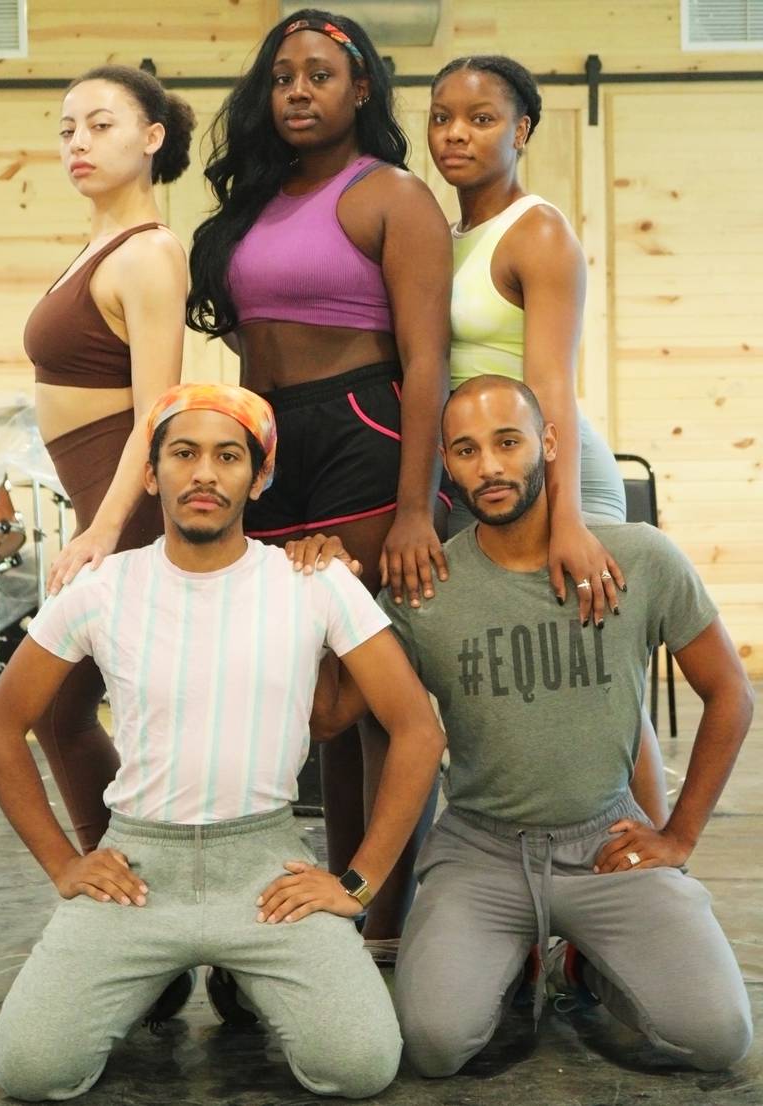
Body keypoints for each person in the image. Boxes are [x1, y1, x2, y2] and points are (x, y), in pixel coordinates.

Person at [0, 383, 446, 1102]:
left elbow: (418, 729)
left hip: (261, 868)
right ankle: (161, 969)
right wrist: (66, 866)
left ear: (257, 478)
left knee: (359, 1066)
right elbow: (2, 728)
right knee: (30, 1070)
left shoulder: (311, 582)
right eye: (184, 453)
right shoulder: (104, 587)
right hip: (139, 868)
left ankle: (243, 974)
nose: (204, 473)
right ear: (151, 472)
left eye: (228, 456)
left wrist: (357, 882)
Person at [312, 375, 754, 1076]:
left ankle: (579, 966)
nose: (488, 466)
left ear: (548, 445)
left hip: (605, 842)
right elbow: (332, 714)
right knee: (432, 1043)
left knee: (719, 1036)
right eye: (464, 450)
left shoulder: (637, 557)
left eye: (507, 442)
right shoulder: (423, 590)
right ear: (446, 468)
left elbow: (730, 691)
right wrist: (325, 592)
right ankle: (511, 956)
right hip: (480, 851)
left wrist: (680, 834)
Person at [187, 8, 453, 943]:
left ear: (362, 89)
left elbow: (428, 362)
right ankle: (344, 900)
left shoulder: (393, 196)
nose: (298, 91)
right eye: (282, 77)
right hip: (273, 444)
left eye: (320, 76)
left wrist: (417, 508)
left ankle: (385, 919)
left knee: (372, 683)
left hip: (363, 428)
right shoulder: (254, 202)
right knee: (316, 692)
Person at [427, 53, 667, 825]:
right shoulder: (448, 234)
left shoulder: (538, 232)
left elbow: (551, 386)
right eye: (441, 117)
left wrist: (566, 518)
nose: (456, 133)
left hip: (556, 470)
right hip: (484, 471)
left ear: (521, 129)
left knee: (599, 670)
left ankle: (650, 861)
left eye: (481, 118)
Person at [24, 65, 196, 855]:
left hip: (125, 512)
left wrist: (105, 529)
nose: (77, 144)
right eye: (66, 130)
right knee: (61, 712)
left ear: (152, 138)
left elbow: (158, 410)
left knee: (60, 708)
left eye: (99, 125)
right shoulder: (99, 242)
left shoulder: (149, 254)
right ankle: (121, 878)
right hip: (102, 504)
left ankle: (122, 877)